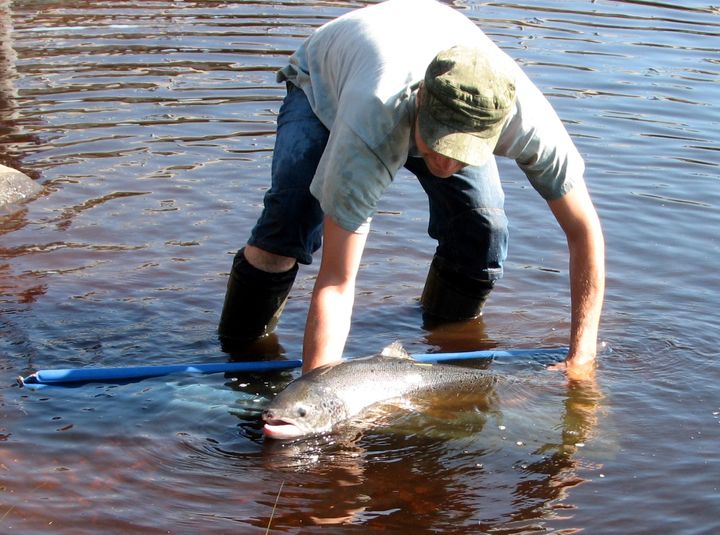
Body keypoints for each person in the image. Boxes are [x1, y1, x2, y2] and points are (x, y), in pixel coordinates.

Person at [218, 0, 605, 381]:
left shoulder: (529, 124)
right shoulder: (372, 120)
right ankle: (237, 355)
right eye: (438, 146)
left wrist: (582, 356)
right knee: (288, 226)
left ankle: (449, 351)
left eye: (462, 154)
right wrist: (321, 405)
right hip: (328, 81)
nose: (446, 165)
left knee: (482, 230)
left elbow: (583, 232)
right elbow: (336, 281)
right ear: (420, 101)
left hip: (420, 49)